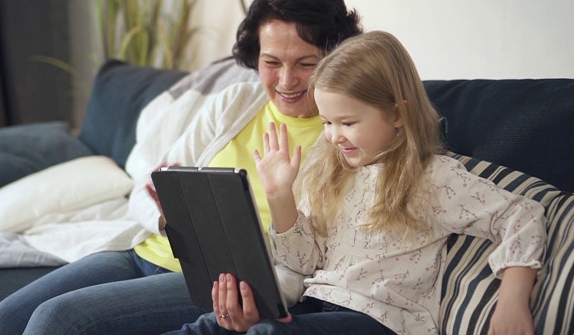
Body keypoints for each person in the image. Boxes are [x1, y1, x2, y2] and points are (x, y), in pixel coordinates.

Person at [0, 0, 362, 334]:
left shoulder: (346, 136)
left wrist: (266, 298)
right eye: (271, 63)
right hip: (142, 252)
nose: (285, 80)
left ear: (335, 57)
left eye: (306, 64)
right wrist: (165, 215)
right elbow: (151, 183)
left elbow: (315, 260)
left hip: (218, 282)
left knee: (55, 320)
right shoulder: (234, 104)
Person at [167, 31, 547, 334]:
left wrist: (513, 297)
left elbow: (523, 214)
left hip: (380, 320)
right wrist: (280, 195)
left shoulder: (432, 178)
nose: (333, 136)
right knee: (208, 327)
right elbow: (301, 263)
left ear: (398, 114)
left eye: (347, 123)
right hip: (313, 304)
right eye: (327, 122)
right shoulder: (331, 172)